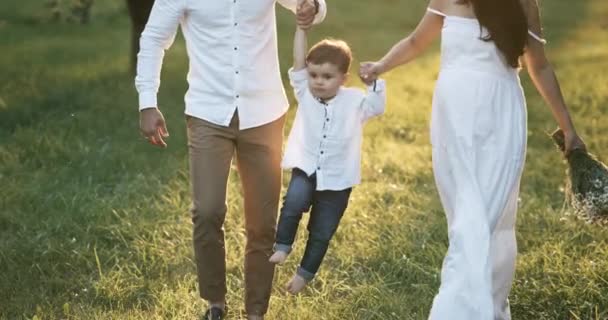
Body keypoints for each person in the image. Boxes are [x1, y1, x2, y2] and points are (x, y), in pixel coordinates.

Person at [359, 0, 585, 318]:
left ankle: (484, 307)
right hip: (454, 115)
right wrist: (380, 66)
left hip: (502, 113)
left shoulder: (524, 3)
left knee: (496, 217)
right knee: (466, 216)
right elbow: (415, 42)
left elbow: (540, 65)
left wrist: (569, 129)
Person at [135, 0, 327, 319]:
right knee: (207, 211)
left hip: (264, 113)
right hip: (208, 112)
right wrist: (147, 102)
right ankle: (215, 303)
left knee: (263, 223)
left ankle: (255, 312)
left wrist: (313, 7)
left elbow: (309, 5)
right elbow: (154, 37)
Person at [267, 24, 387, 294]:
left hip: (338, 179)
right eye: (314, 75)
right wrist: (300, 28)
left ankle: (303, 275)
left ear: (343, 79)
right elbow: (299, 63)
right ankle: (282, 246)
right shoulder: (305, 94)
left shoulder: (355, 102)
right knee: (293, 203)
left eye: (327, 76)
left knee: (322, 231)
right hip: (307, 167)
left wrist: (374, 81)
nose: (318, 81)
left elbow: (377, 107)